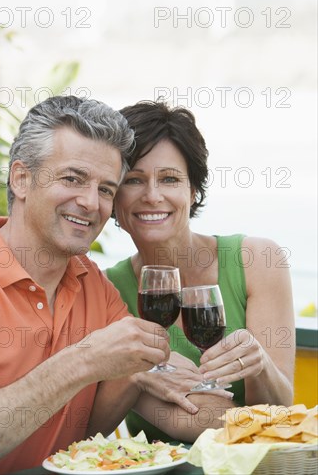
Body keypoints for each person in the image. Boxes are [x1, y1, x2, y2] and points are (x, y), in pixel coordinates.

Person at [0, 96, 233, 475]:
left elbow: (197, 408)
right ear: (21, 179)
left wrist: (272, 421)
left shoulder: (95, 287)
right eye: (73, 178)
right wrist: (83, 361)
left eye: (105, 189)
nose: (89, 202)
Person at [106, 99, 295, 441]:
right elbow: (195, 419)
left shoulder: (258, 260)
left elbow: (280, 411)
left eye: (169, 179)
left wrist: (260, 365)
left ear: (193, 191)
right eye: (133, 180)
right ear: (113, 197)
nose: (152, 196)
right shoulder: (105, 290)